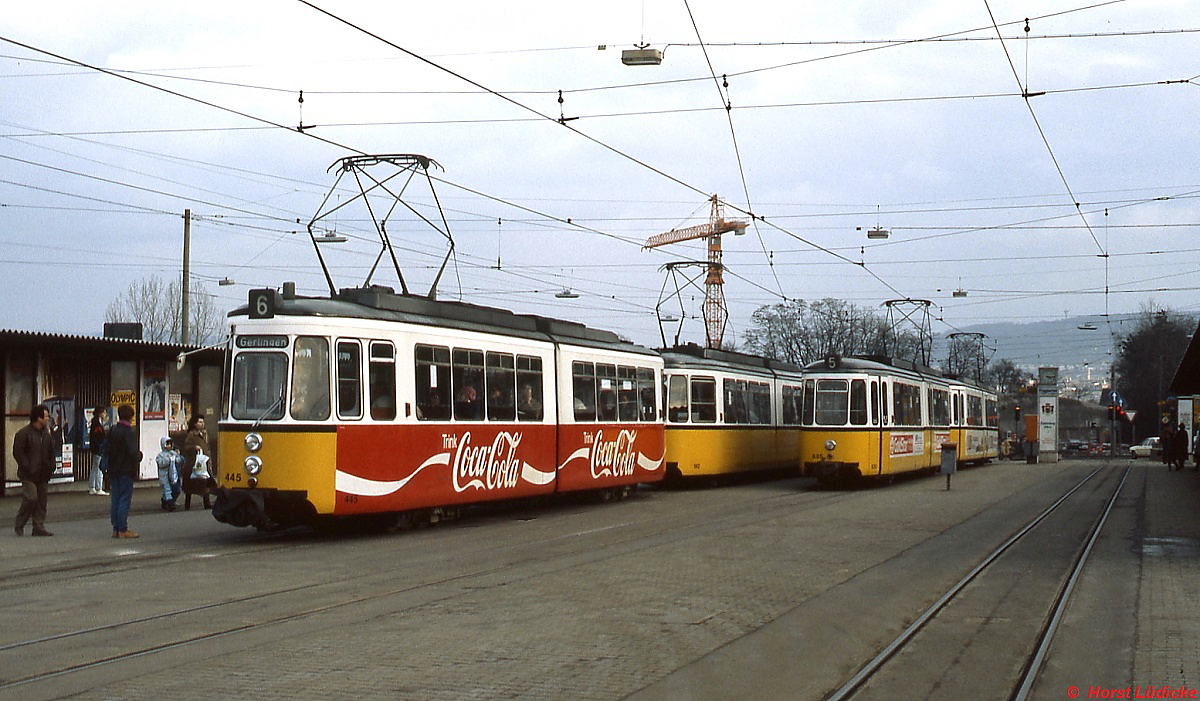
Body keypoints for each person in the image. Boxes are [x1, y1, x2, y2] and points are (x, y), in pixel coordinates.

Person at [13, 404, 55, 537]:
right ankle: (19, 524)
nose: (48, 418)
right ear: (38, 418)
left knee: (42, 501)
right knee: (31, 497)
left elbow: (51, 452)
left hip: (43, 473)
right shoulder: (23, 433)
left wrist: (51, 466)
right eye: (46, 416)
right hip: (28, 474)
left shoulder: (46, 434)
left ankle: (38, 526)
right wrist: (27, 466)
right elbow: (18, 453)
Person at [107, 404, 141, 538]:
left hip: (113, 469)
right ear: (131, 417)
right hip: (126, 469)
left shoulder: (113, 430)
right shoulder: (130, 432)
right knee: (124, 499)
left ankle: (115, 528)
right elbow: (133, 452)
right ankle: (122, 529)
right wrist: (140, 456)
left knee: (115, 498)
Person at [182, 415, 213, 510]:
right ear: (195, 424)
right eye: (200, 422)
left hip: (204, 461)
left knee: (205, 482)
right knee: (190, 484)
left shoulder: (205, 433)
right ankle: (187, 505)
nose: (202, 424)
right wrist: (194, 447)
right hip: (193, 463)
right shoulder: (191, 434)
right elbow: (186, 447)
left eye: (202, 422)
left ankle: (207, 503)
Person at [155, 436, 183, 512]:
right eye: (167, 444)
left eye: (170, 444)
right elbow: (161, 464)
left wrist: (177, 457)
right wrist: (168, 459)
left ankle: (166, 500)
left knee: (176, 490)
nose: (169, 446)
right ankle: (170, 504)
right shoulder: (160, 455)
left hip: (173, 475)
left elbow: (179, 460)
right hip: (164, 477)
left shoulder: (173, 453)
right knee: (167, 490)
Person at [87, 407, 109, 496]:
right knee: (99, 468)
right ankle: (99, 487)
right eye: (104, 412)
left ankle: (92, 487)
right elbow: (99, 437)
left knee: (94, 468)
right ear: (100, 413)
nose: (105, 414)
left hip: (95, 448)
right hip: (99, 449)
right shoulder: (98, 425)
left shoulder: (94, 423)